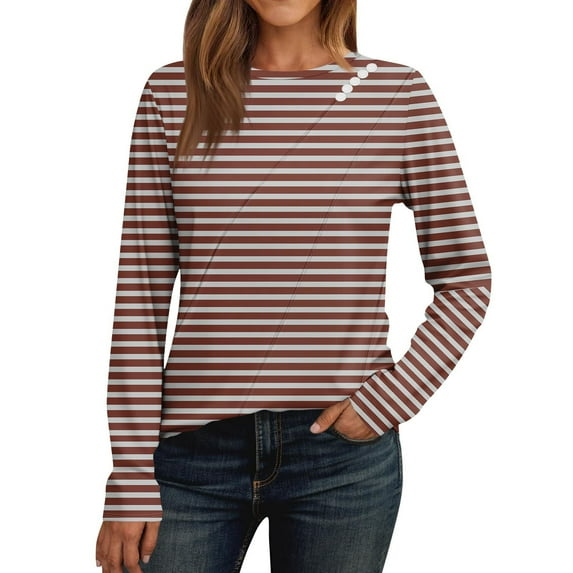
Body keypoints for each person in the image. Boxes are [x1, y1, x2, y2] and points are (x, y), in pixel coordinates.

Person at [95, 0, 492, 571]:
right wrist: (130, 473)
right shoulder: (172, 93)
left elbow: (466, 276)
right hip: (190, 457)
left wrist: (391, 399)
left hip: (341, 460)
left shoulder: (397, 95)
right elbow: (141, 294)